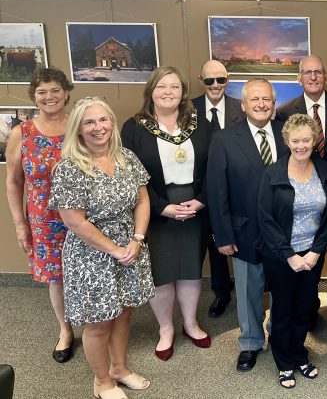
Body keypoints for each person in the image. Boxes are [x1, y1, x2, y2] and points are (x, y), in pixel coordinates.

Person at [49, 97, 155, 399]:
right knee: (98, 322)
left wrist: (136, 239)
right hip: (90, 255)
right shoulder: (69, 167)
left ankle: (119, 369)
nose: (99, 127)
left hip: (130, 246)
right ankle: (102, 382)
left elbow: (143, 200)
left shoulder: (126, 157)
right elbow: (75, 222)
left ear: (112, 122)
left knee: (123, 314)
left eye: (103, 120)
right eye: (90, 122)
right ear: (79, 129)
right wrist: (114, 249)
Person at [121, 66, 212, 361]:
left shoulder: (200, 124)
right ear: (151, 91)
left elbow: (214, 168)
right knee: (161, 273)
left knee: (189, 269)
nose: (168, 92)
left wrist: (200, 200)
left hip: (194, 206)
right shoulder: (134, 127)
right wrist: (161, 206)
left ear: (183, 93)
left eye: (174, 87)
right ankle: (165, 329)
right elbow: (130, 175)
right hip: (154, 208)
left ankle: (190, 323)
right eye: (161, 86)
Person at [207, 78, 289, 372]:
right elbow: (217, 191)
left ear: (274, 103)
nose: (261, 104)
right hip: (244, 230)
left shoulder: (287, 134)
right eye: (254, 99)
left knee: (282, 289)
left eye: (266, 99)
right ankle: (251, 341)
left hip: (284, 231)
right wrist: (223, 234)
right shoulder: (225, 139)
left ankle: (281, 336)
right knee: (248, 289)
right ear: (243, 105)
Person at [276, 55, 327, 328]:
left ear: (326, 76)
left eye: (318, 72)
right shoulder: (286, 109)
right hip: (305, 191)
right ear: (299, 78)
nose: (313, 77)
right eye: (307, 73)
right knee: (306, 247)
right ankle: (308, 305)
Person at [258, 114, 327, 388]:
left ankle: (299, 353)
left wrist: (316, 251)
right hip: (282, 256)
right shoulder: (273, 173)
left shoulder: (324, 170)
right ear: (287, 141)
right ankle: (284, 361)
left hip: (312, 254)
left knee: (305, 307)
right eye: (296, 140)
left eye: (306, 140)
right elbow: (265, 219)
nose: (301, 145)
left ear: (314, 140)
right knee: (283, 309)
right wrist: (289, 256)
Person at [4, 68, 74, 363]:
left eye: (55, 90)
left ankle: (97, 326)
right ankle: (66, 331)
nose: (49, 97)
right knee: (57, 278)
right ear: (34, 96)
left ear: (66, 93)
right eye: (42, 92)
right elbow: (14, 181)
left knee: (89, 273)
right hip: (44, 221)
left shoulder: (80, 125)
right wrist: (20, 225)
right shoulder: (23, 133)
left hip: (85, 215)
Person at [192, 59, 244, 318]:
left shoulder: (242, 107)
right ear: (201, 82)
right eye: (209, 80)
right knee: (213, 245)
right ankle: (221, 292)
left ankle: (253, 292)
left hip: (237, 188)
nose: (215, 85)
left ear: (228, 80)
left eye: (220, 80)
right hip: (199, 190)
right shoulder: (187, 109)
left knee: (239, 240)